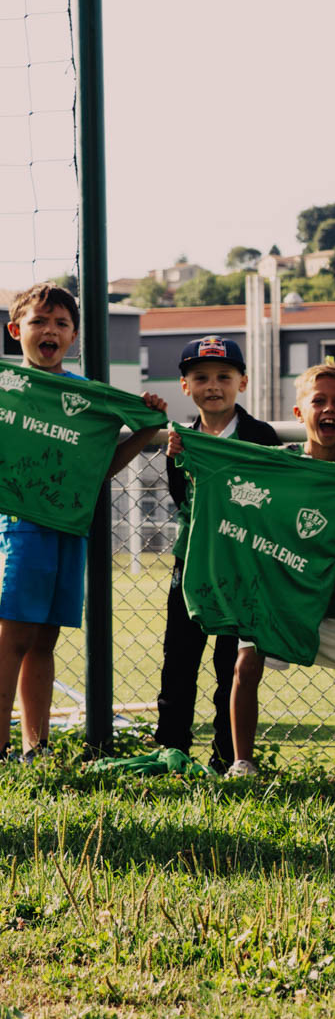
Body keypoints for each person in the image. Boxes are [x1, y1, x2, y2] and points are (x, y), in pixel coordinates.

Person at [0, 283, 166, 758]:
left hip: (70, 527)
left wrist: (146, 428)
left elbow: (98, 468)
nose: (49, 330)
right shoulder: (8, 389)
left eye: (61, 324)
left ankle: (38, 747)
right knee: (13, 635)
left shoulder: (88, 398)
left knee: (45, 639)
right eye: (38, 322)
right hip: (23, 525)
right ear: (16, 331)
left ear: (73, 337)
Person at [216, 363, 335, 777]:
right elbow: (223, 469)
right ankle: (243, 763)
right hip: (277, 597)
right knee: (245, 665)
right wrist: (185, 450)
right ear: (298, 412)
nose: (329, 409)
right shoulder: (274, 466)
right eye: (318, 400)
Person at [154, 336, 282, 772]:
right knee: (180, 660)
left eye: (223, 377)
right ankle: (171, 748)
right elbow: (180, 500)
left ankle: (228, 756)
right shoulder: (181, 439)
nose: (213, 386)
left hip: (242, 568)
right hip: (191, 565)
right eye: (201, 377)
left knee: (233, 664)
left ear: (241, 382)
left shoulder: (260, 436)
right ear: (185, 386)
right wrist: (182, 459)